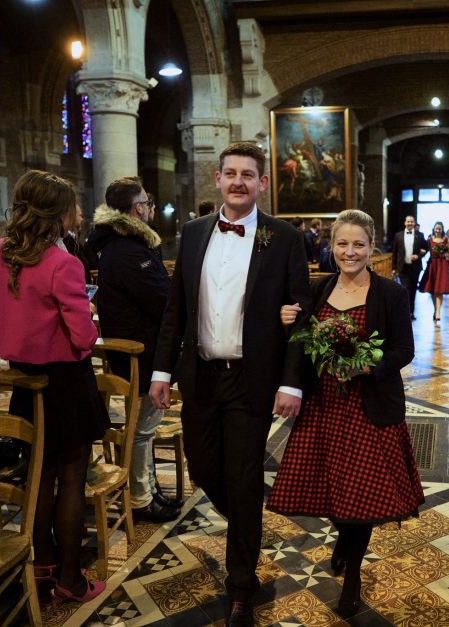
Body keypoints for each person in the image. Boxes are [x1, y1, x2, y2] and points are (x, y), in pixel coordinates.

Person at [148, 141, 311, 625]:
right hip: (200, 376)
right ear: (217, 179)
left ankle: (242, 584)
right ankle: (248, 515)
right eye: (230, 173)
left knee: (241, 480)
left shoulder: (283, 238)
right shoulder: (194, 232)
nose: (239, 181)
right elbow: (176, 308)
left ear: (263, 184)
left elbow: (301, 313)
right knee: (203, 470)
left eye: (249, 174)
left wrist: (292, 382)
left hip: (252, 379)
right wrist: (161, 370)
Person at [268, 209, 423, 617]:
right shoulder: (319, 291)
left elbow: (404, 350)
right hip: (326, 407)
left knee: (365, 494)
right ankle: (344, 537)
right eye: (342, 244)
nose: (349, 252)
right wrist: (288, 322)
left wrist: (367, 366)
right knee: (334, 490)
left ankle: (352, 574)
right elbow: (302, 340)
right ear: (330, 246)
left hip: (369, 408)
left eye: (358, 244)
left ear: (372, 247)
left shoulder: (391, 293)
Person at [0, 170, 109, 605]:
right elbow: (83, 338)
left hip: (23, 381)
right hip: (66, 383)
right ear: (58, 214)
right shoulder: (62, 262)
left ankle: (42, 564)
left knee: (39, 476)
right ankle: (72, 579)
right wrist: (88, 316)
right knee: (72, 478)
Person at [85, 177, 179, 523]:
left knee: (146, 427)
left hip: (141, 348)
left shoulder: (123, 244)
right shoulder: (128, 250)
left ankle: (149, 489)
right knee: (141, 429)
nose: (150, 207)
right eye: (147, 202)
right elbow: (160, 298)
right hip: (141, 350)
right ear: (137, 208)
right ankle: (141, 498)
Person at [391, 215, 428, 319]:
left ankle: (411, 312)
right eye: (408, 222)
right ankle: (405, 312)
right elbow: (395, 253)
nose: (410, 223)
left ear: (414, 223)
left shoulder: (420, 235)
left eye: (412, 222)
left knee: (412, 290)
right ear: (404, 223)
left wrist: (419, 255)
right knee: (405, 290)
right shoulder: (398, 235)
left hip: (415, 268)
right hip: (402, 267)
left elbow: (426, 248)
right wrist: (393, 268)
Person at [418, 221, 449, 322]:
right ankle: (435, 309)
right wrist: (420, 252)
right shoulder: (430, 240)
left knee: (440, 289)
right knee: (433, 289)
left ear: (442, 229)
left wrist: (446, 253)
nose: (438, 230)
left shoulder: (446, 239)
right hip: (432, 265)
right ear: (434, 229)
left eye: (440, 228)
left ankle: (438, 311)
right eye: (436, 228)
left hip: (442, 265)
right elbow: (425, 251)